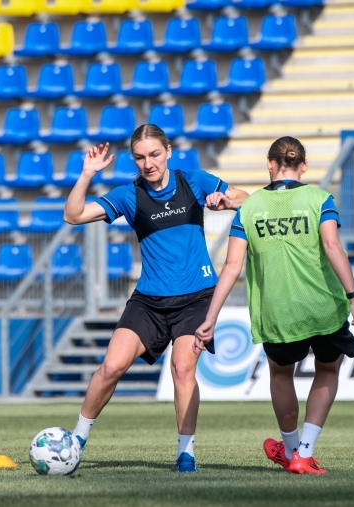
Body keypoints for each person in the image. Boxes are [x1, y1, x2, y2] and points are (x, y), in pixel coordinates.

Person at [63, 125, 249, 472]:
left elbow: (249, 201)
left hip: (196, 298)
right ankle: (76, 441)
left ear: (168, 152)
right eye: (139, 157)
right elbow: (73, 216)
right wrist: (87, 174)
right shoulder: (128, 196)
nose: (147, 163)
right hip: (148, 301)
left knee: (182, 369)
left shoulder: (194, 180)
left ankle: (186, 453)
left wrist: (226, 202)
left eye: (154, 154)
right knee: (111, 367)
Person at [194, 136, 354, 475]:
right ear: (303, 167)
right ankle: (304, 451)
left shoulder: (250, 207)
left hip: (276, 312)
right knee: (328, 369)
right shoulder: (320, 199)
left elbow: (231, 267)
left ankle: (290, 451)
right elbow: (333, 248)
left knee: (280, 374)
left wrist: (210, 318)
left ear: (270, 165)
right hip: (322, 307)